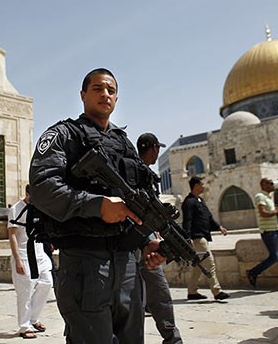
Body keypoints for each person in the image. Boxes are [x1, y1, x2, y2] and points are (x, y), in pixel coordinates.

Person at [29, 68, 165, 343]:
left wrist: (149, 238)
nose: (106, 95)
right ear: (82, 95)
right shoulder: (64, 135)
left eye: (111, 90)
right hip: (84, 261)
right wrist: (96, 205)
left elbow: (140, 197)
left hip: (127, 263)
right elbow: (42, 188)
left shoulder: (123, 143)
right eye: (98, 89)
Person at [136, 132, 183, 344]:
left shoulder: (147, 175)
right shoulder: (137, 173)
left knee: (157, 295)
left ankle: (172, 340)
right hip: (135, 247)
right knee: (152, 298)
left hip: (147, 242)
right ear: (154, 148)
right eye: (157, 149)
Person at [9, 185, 53, 339]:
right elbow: (12, 235)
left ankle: (34, 318)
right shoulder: (16, 209)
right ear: (27, 194)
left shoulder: (39, 208)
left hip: (40, 254)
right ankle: (24, 326)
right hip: (23, 255)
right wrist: (17, 259)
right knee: (25, 292)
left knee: (46, 283)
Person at [181, 176, 230, 301]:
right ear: (196, 185)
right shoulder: (189, 202)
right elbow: (187, 221)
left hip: (203, 236)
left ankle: (192, 292)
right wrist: (188, 237)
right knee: (209, 263)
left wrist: (219, 227)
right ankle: (217, 291)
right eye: (202, 184)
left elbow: (208, 218)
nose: (203, 186)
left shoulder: (200, 201)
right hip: (197, 238)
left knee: (198, 266)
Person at [246, 178, 278, 290]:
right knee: (275, 257)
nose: (273, 185)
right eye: (271, 183)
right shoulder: (260, 196)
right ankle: (252, 272)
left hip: (276, 230)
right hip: (268, 231)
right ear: (263, 184)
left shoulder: (269, 197)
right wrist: (276, 211)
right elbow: (263, 213)